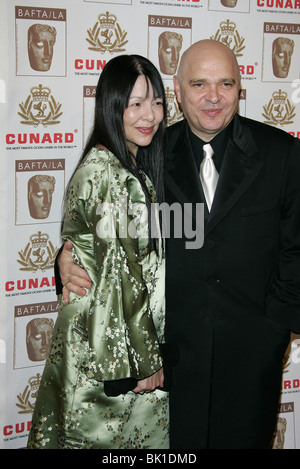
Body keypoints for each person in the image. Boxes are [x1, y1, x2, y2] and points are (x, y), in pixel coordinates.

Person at [56, 40, 300, 449]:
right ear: (178, 89)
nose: (213, 97)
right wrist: (64, 262)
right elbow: (103, 230)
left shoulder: (282, 154)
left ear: (240, 88)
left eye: (225, 83)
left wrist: (272, 331)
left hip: (250, 358)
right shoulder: (147, 153)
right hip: (170, 361)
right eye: (199, 83)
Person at [27, 54, 169, 449]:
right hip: (111, 350)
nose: (150, 115)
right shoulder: (109, 173)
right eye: (135, 103)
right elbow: (120, 276)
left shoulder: (129, 165)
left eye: (156, 102)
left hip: (109, 340)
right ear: (111, 106)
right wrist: (144, 363)